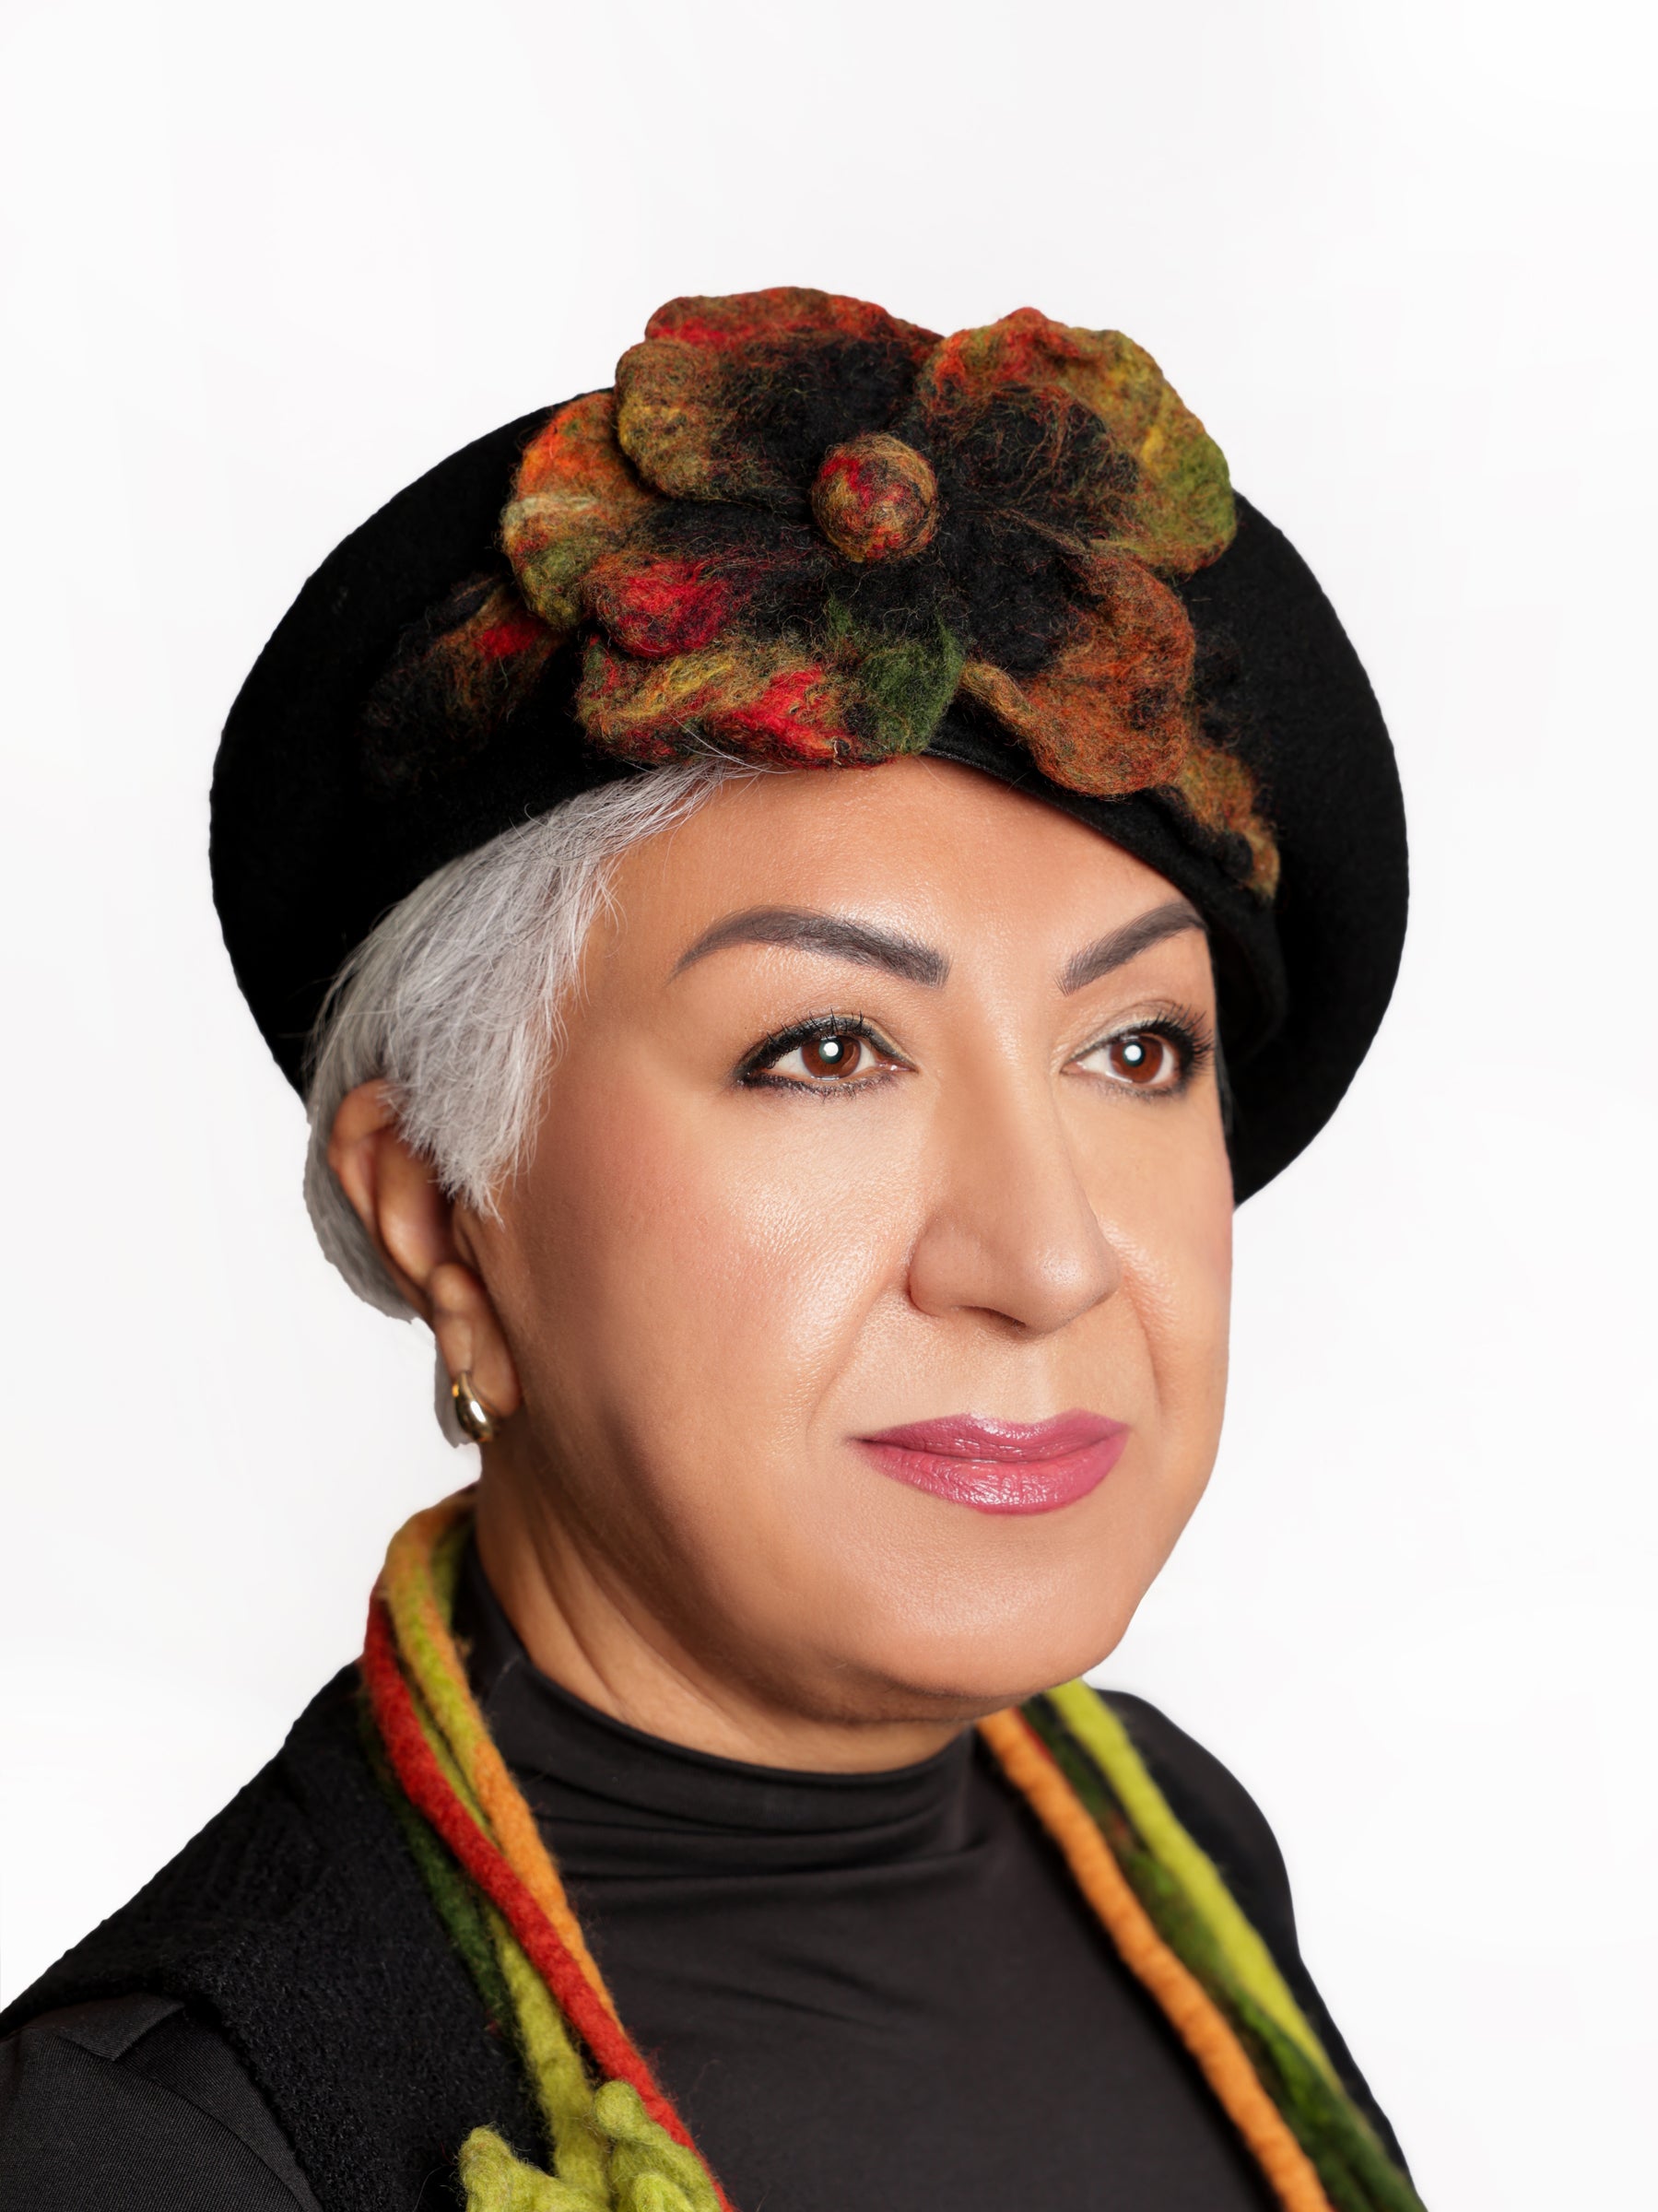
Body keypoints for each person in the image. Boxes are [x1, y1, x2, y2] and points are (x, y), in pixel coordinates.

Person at [0, 290, 1419, 2212]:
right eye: (824, 1051)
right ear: (442, 1210)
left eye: (1135, 1049)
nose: (1047, 1255)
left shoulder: (1166, 1853)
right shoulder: (159, 2145)